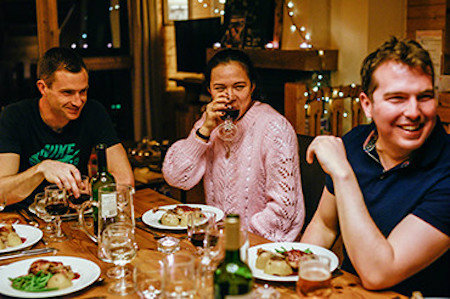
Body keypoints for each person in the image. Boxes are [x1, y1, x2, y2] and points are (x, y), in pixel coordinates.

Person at [301, 37, 449, 296]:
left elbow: (379, 273)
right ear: (367, 105)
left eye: (424, 96)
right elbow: (324, 226)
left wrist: (343, 173)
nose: (414, 112)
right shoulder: (355, 142)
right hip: (348, 290)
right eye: (398, 98)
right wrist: (297, 281)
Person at [163, 49, 305, 242]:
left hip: (258, 245)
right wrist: (204, 130)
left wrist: (238, 238)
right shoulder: (209, 124)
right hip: (216, 240)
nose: (229, 96)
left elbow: (284, 211)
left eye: (239, 86)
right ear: (209, 90)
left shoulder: (274, 127)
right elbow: (176, 177)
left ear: (252, 86)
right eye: (220, 88)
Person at [0, 47, 134, 207]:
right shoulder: (15, 116)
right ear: (43, 88)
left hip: (76, 214)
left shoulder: (94, 112)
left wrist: (91, 188)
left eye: (83, 91)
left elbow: (126, 182)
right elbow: (2, 193)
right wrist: (41, 169)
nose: (78, 102)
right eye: (67, 93)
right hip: (27, 220)